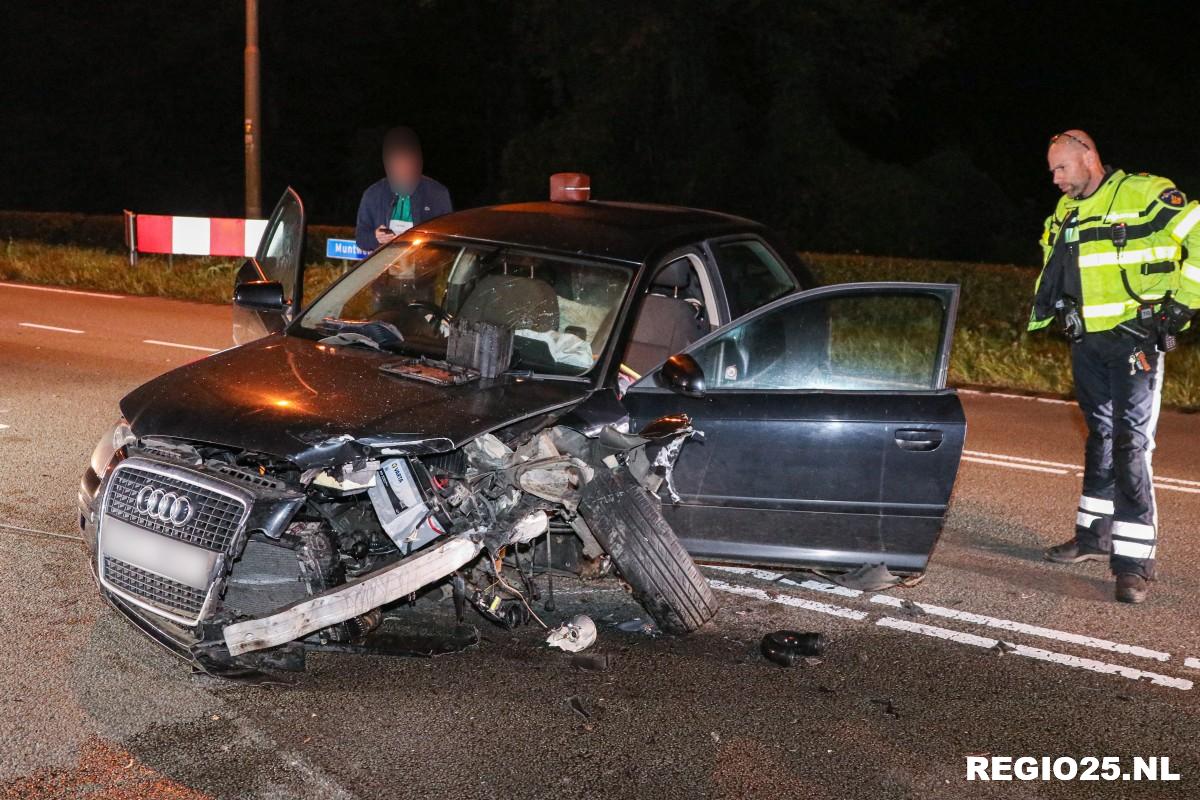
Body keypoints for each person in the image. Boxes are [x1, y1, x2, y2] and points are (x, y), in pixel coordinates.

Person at [1030, 129, 1200, 603]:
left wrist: (1182, 305)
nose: (1057, 180)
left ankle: (1133, 564)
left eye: (1062, 168)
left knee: (1130, 444)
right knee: (1100, 437)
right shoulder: (1067, 210)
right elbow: (1057, 263)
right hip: (1088, 343)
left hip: (1135, 342)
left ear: (1089, 157)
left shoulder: (1144, 193)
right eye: (1053, 172)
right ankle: (1092, 537)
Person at [355, 126, 452, 252]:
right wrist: (376, 237)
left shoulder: (437, 194)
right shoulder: (373, 194)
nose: (402, 169)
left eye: (407, 162)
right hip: (386, 267)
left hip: (423, 268)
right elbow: (361, 239)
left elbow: (448, 240)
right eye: (397, 163)